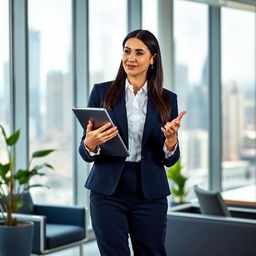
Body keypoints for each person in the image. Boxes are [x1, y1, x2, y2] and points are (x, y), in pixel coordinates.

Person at [79, 29, 186, 256]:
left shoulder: (167, 99)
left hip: (150, 192)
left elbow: (170, 159)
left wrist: (171, 142)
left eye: (139, 52)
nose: (131, 58)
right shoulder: (101, 92)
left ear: (153, 58)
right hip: (108, 191)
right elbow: (86, 150)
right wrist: (89, 144)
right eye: (127, 51)